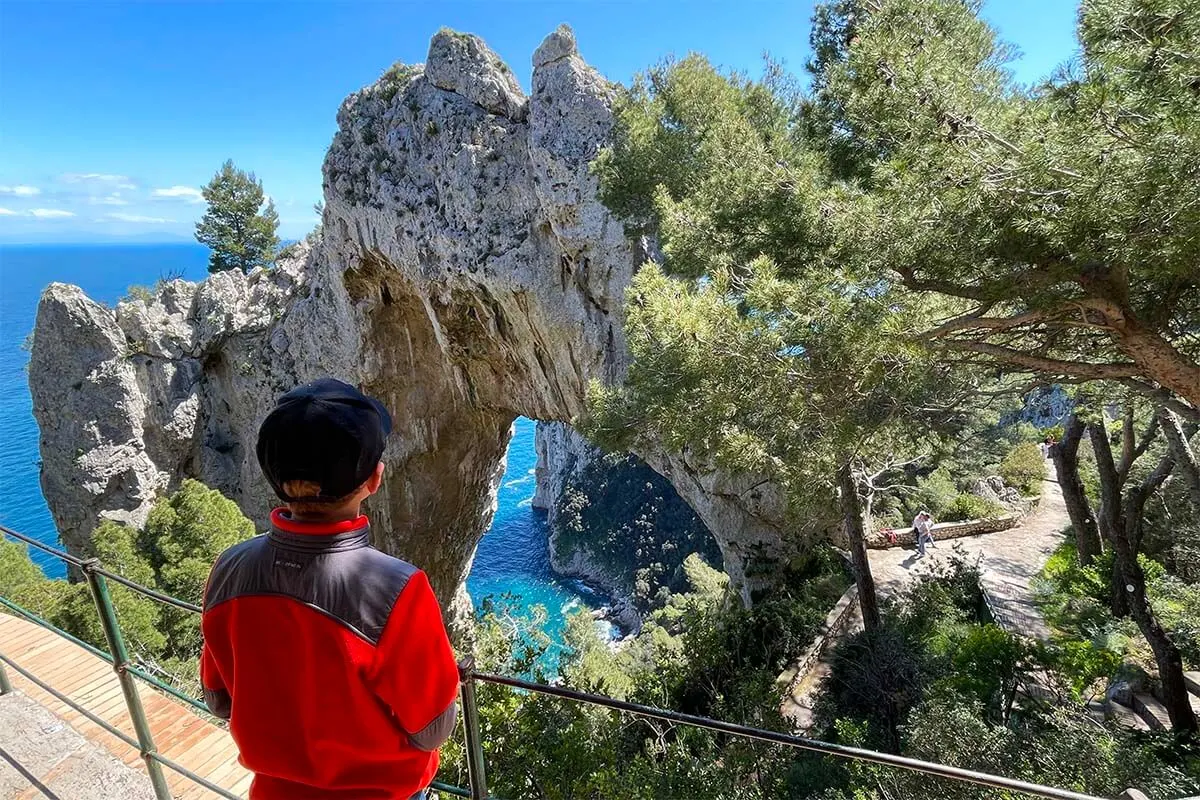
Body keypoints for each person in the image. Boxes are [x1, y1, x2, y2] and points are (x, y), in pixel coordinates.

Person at [199, 378, 459, 800]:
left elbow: (219, 700)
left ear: (273, 478)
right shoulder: (397, 590)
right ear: (375, 478)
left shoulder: (228, 570)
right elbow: (431, 730)